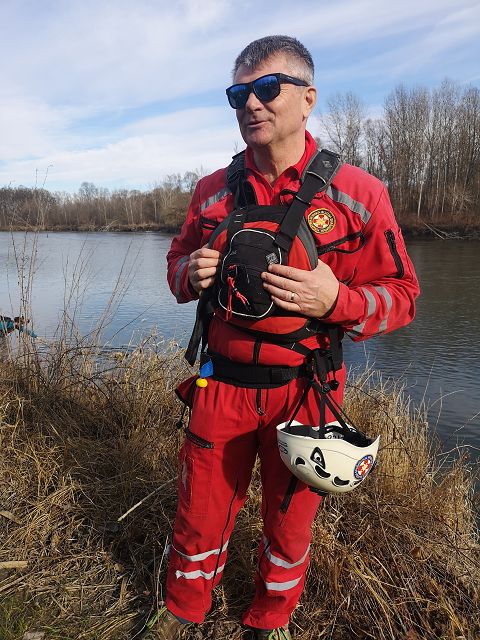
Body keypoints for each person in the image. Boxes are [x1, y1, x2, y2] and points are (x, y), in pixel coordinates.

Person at [156, 35, 419, 640]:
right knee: (198, 515)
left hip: (307, 391)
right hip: (220, 385)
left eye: (268, 88)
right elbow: (174, 267)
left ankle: (268, 620)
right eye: (239, 94)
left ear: (308, 98)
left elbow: (404, 296)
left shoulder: (358, 194)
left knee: (290, 523)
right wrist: (188, 273)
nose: (252, 103)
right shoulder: (212, 191)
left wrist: (338, 302)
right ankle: (182, 612)